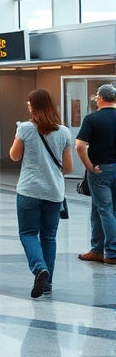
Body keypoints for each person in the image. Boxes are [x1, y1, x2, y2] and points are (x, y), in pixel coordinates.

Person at [9, 89, 73, 298]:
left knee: (27, 233)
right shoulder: (63, 131)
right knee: (49, 237)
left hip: (29, 190)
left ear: (34, 107)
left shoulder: (26, 128)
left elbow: (14, 156)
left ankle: (39, 269)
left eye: (29, 105)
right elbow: (68, 167)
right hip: (54, 192)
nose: (28, 107)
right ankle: (48, 284)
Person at [75, 84, 116, 264]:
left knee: (104, 210)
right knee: (102, 209)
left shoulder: (92, 119)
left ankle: (112, 251)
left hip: (100, 170)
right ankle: (97, 249)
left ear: (99, 97)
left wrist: (89, 166)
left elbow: (80, 145)